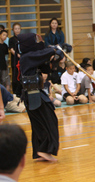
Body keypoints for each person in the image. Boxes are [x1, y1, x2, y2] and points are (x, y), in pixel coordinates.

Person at [17, 32, 62, 162]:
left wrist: (57, 57)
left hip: (36, 93)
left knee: (40, 123)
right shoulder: (27, 57)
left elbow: (47, 69)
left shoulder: (32, 57)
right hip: (32, 95)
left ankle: (41, 150)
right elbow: (42, 53)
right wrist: (55, 49)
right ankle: (45, 150)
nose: (37, 42)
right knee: (49, 119)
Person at [9, 23, 22, 97]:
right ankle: (15, 93)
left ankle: (21, 93)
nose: (17, 30)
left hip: (22, 60)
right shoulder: (11, 39)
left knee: (21, 76)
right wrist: (17, 54)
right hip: (15, 60)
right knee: (15, 77)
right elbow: (11, 49)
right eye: (15, 29)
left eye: (18, 28)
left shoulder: (22, 38)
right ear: (13, 30)